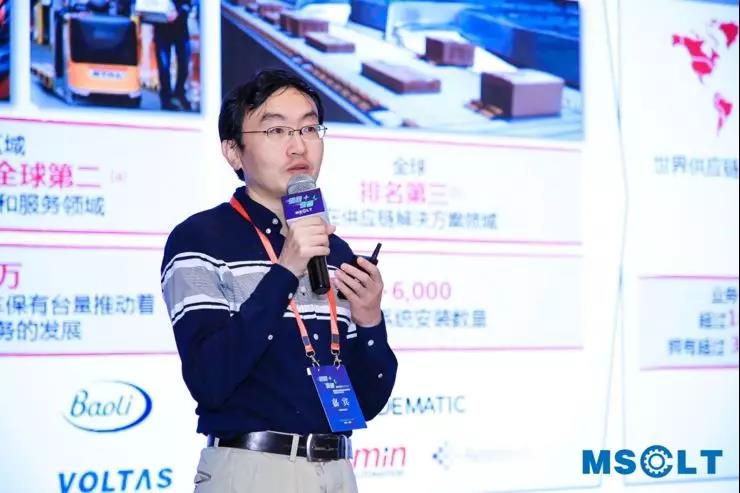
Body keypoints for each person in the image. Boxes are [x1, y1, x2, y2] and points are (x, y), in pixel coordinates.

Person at [160, 69, 398, 492]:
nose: (298, 145)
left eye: (309, 128)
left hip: (337, 471)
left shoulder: (335, 251)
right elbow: (209, 379)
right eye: (276, 130)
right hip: (252, 470)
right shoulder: (200, 239)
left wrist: (370, 322)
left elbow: (366, 403)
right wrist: (285, 270)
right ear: (233, 151)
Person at [153, 0, 192, 111]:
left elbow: (189, 4)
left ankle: (179, 93)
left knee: (184, 63)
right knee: (164, 66)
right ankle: (166, 98)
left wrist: (179, 12)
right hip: (161, 26)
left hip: (181, 27)